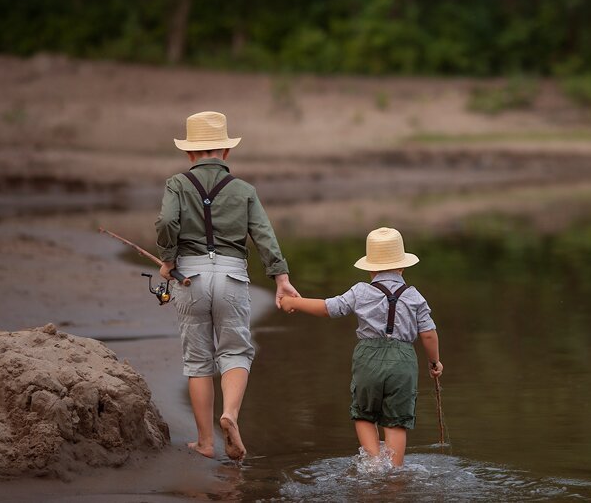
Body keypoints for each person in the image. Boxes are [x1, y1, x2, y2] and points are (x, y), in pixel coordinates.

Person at [155, 110, 300, 461]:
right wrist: (280, 278)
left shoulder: (177, 183)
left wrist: (168, 258)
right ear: (226, 153)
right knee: (235, 351)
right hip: (233, 276)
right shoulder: (244, 190)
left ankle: (205, 442)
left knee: (198, 361)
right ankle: (230, 415)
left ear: (190, 154)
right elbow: (264, 235)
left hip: (190, 277)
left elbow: (166, 221)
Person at [281, 226, 443, 467]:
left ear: (371, 268)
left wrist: (293, 301)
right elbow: (428, 334)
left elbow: (328, 308)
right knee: (396, 422)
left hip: (368, 359)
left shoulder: (360, 291)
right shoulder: (414, 296)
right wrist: (434, 362)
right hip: (403, 361)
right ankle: (395, 473)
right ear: (402, 266)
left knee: (365, 415)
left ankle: (374, 463)